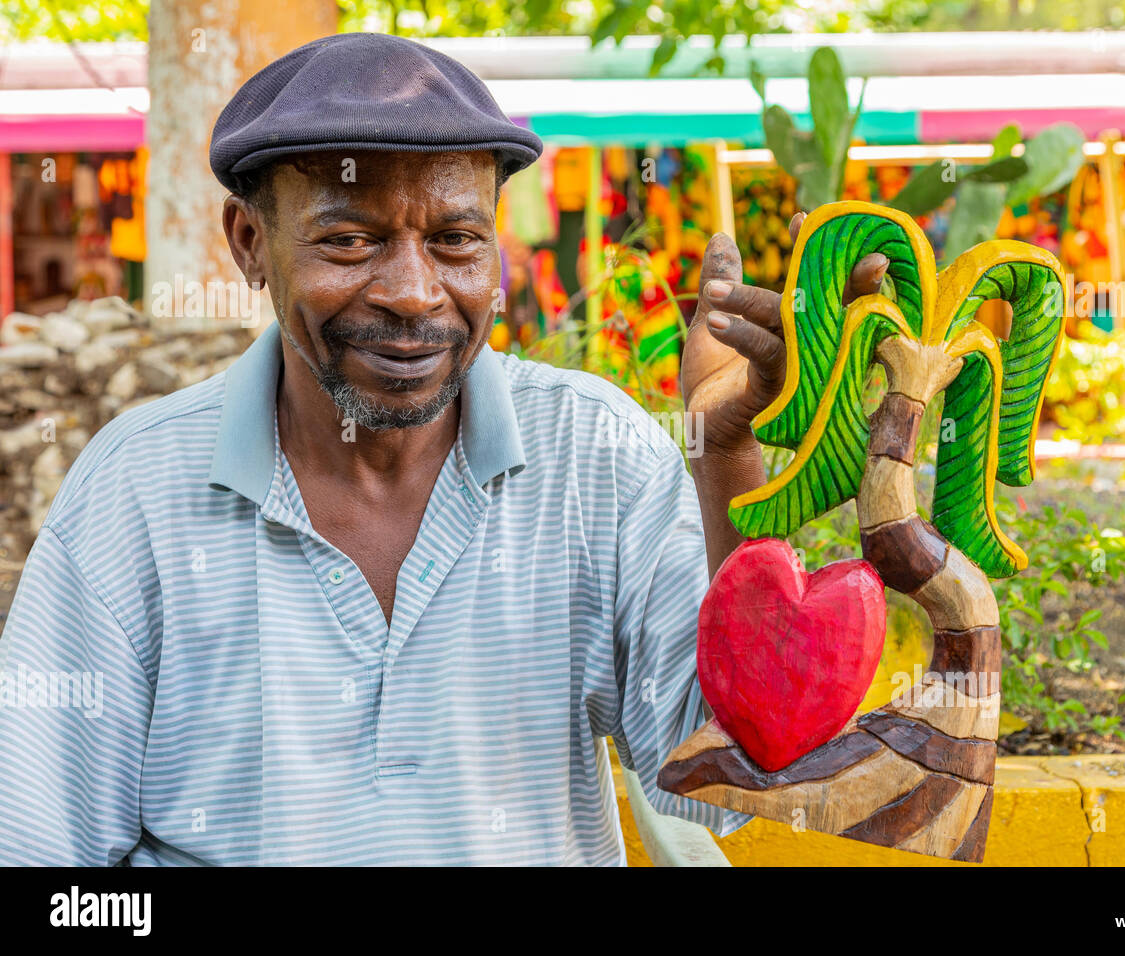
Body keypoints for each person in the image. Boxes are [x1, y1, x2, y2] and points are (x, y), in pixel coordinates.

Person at [0, 32, 884, 865]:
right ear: (249, 243)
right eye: (350, 240)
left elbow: (718, 784)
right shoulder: (136, 493)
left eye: (456, 240)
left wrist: (723, 453)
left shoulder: (598, 456)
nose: (416, 294)